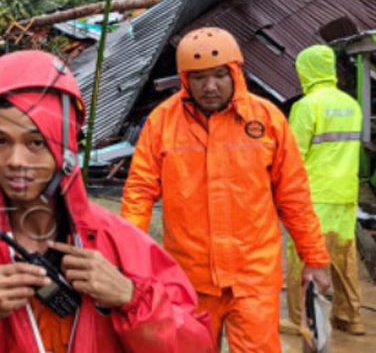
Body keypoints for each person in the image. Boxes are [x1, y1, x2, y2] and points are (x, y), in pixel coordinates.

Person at [0, 50, 213, 352]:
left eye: (36, 142)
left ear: (66, 144)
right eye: (1, 140)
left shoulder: (121, 242)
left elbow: (197, 345)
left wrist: (129, 297)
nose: (15, 160)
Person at [120, 27, 332, 352]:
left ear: (235, 71)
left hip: (254, 278)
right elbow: (139, 194)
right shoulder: (162, 122)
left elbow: (294, 197)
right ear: (184, 79)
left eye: (220, 75)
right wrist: (128, 260)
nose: (210, 87)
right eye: (199, 77)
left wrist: (314, 259)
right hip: (189, 278)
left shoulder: (267, 120)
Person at [286, 44, 364, 334]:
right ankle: (350, 317)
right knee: (345, 258)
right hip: (345, 194)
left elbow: (292, 157)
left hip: (313, 196)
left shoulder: (307, 106)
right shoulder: (351, 105)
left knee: (303, 258)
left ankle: (300, 320)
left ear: (305, 70)